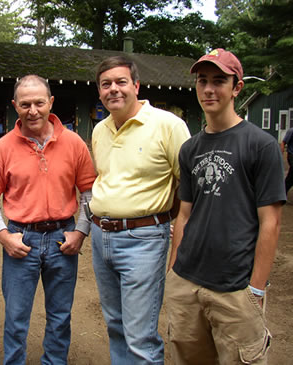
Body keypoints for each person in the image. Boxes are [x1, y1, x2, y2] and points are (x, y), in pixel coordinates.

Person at [166, 48, 286, 365]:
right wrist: (173, 273)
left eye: (219, 81)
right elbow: (185, 214)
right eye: (202, 80)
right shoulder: (190, 148)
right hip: (187, 284)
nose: (208, 89)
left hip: (235, 289)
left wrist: (256, 289)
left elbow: (270, 223)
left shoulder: (261, 145)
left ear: (237, 88)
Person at [0, 75, 96, 365]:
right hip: (21, 239)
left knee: (60, 315)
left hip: (63, 239)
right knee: (16, 317)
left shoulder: (74, 144)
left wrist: (81, 232)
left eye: (39, 103)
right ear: (14, 106)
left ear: (51, 103)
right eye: (25, 104)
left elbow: (88, 193)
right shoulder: (2, 148)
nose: (32, 110)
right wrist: (3, 235)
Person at [89, 55, 190, 364]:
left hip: (144, 239)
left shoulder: (168, 126)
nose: (113, 90)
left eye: (121, 82)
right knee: (116, 326)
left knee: (140, 336)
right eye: (106, 84)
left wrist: (178, 243)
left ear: (136, 85)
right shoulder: (99, 130)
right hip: (100, 237)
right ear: (99, 91)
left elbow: (188, 190)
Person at [281, 126, 293, 197]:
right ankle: (283, 192)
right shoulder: (291, 131)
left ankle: (283, 191)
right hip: (291, 155)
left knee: (291, 176)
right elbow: (283, 142)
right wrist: (281, 155)